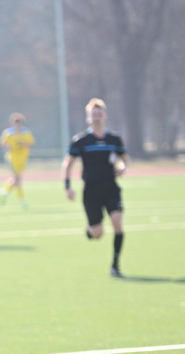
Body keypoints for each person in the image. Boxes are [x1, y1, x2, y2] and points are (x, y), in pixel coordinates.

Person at [62, 98, 130, 278]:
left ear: (105, 116)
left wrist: (123, 167)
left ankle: (115, 265)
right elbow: (68, 163)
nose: (96, 118)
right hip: (91, 191)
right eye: (93, 115)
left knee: (117, 223)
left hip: (111, 188)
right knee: (97, 233)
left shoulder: (113, 139)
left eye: (99, 114)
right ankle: (91, 230)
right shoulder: (81, 140)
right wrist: (67, 186)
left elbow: (124, 159)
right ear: (88, 118)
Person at [0, 113, 35, 208]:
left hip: (22, 158)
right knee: (17, 179)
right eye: (15, 122)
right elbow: (2, 143)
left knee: (16, 179)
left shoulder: (26, 133)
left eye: (19, 122)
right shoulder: (8, 133)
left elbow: (32, 144)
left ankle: (6, 190)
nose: (17, 124)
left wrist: (24, 144)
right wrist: (8, 147)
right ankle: (22, 200)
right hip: (12, 158)